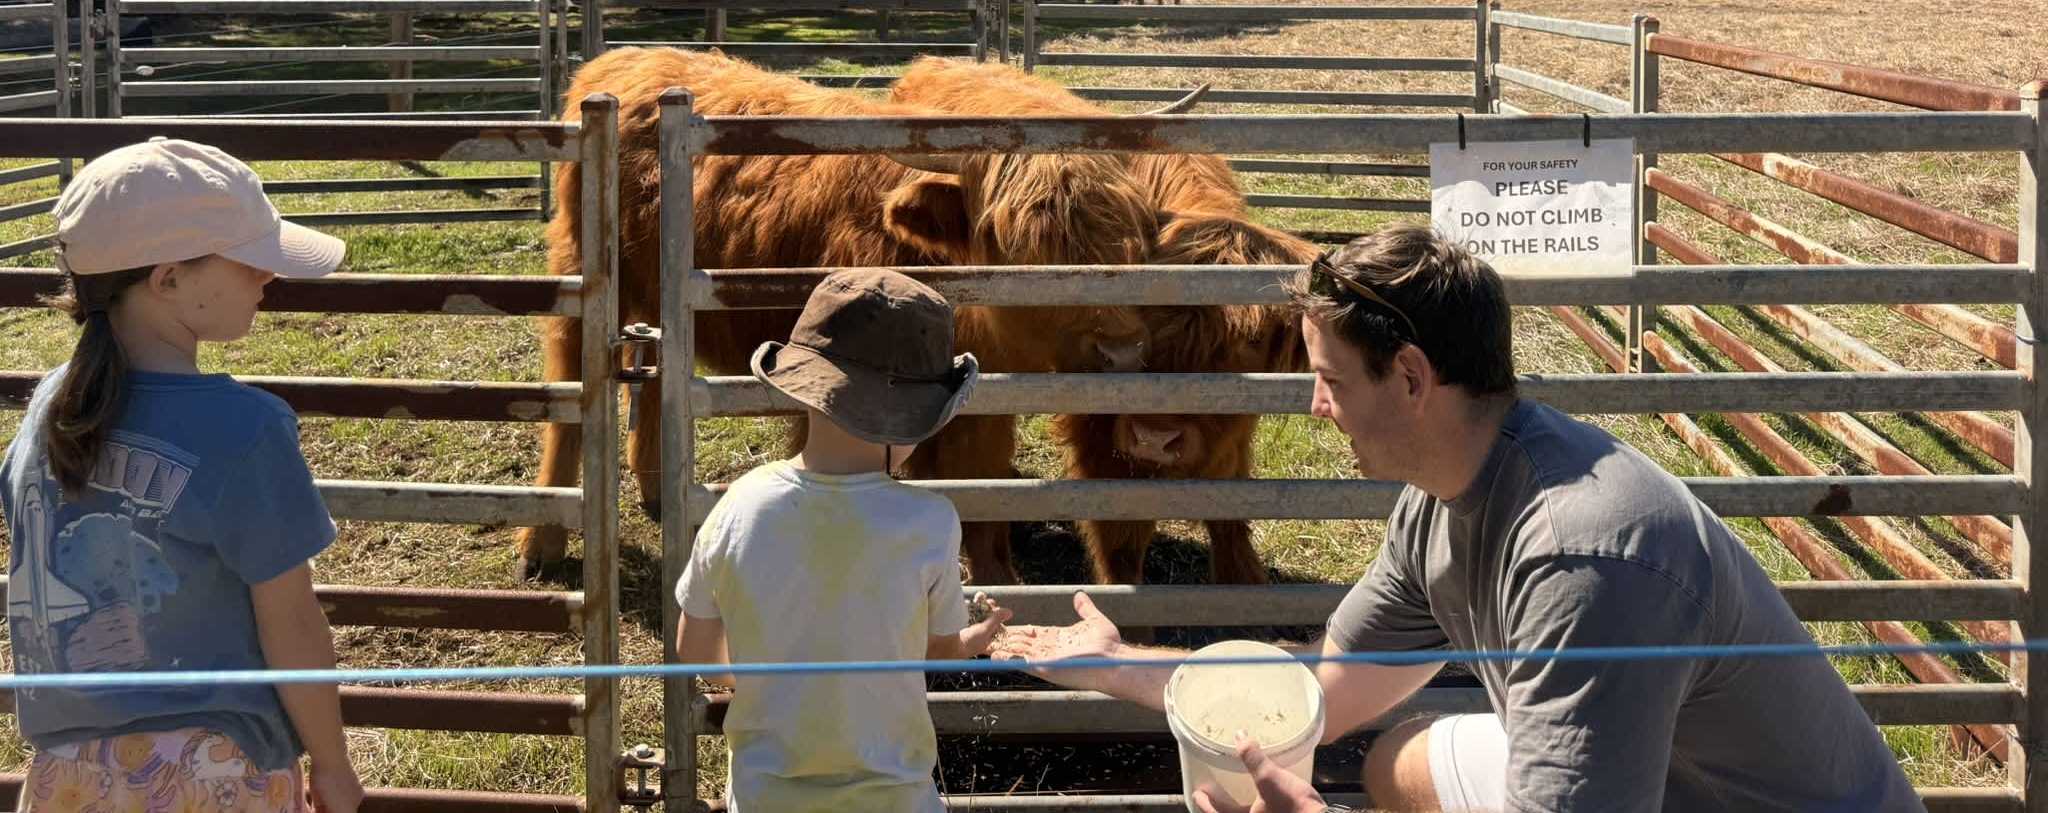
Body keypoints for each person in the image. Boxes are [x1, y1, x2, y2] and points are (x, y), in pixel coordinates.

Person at [994, 225, 1925, 813]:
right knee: (1395, 759)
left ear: (1409, 377)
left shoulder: (1582, 558)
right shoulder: (1442, 496)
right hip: (1642, 776)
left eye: (1328, 381)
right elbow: (1325, 692)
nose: (1315, 408)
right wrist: (1118, 669)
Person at [1, 138, 363, 813]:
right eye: (251, 262)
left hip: (65, 776)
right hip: (212, 773)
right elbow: (292, 623)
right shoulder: (246, 427)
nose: (268, 278)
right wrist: (334, 764)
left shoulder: (49, 407)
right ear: (168, 280)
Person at [676, 267, 1014, 811]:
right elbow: (938, 652)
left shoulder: (738, 504)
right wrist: (975, 640)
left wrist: (759, 681)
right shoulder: (930, 521)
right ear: (914, 420)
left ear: (804, 391)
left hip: (766, 797)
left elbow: (696, 651)